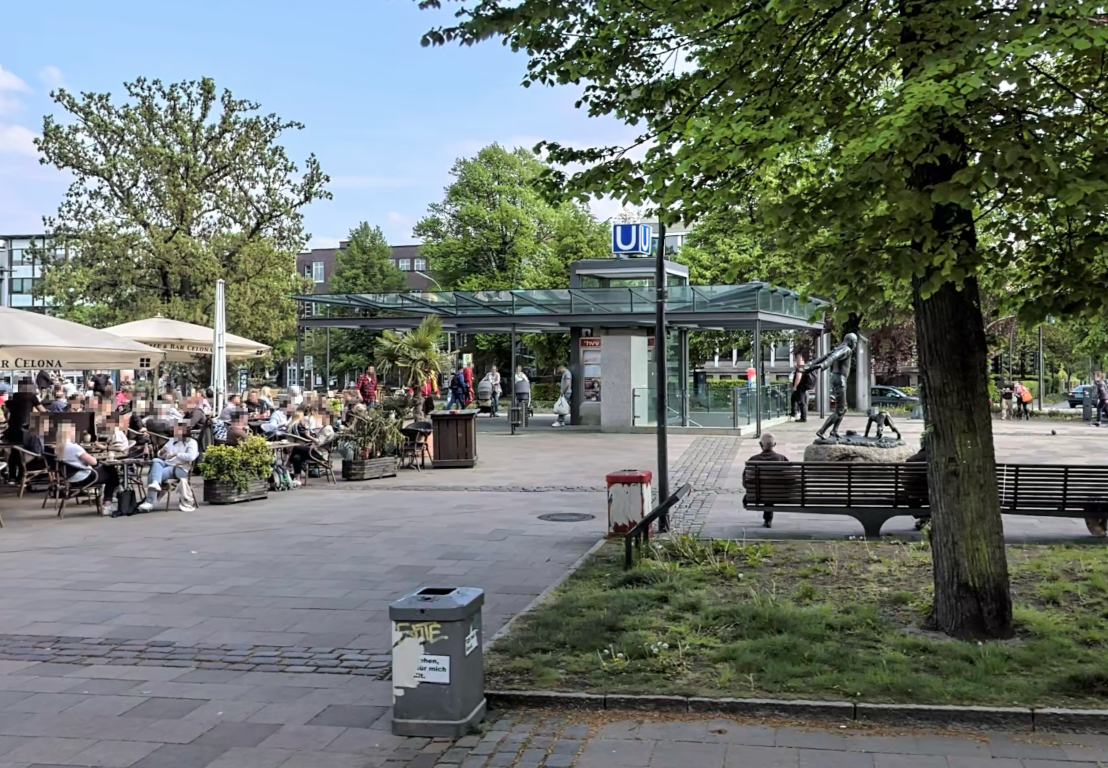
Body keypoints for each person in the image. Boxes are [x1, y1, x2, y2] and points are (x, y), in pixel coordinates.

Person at [56, 421, 120, 514]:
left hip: (69, 479)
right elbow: (93, 462)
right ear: (69, 433)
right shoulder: (74, 447)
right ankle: (108, 504)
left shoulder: (58, 448)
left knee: (109, 473)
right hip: (82, 477)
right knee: (111, 471)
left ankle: (110, 497)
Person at [138, 421, 198, 512]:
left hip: (180, 468)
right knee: (156, 461)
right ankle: (155, 484)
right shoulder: (172, 440)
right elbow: (161, 456)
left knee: (154, 474)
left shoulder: (191, 442)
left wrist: (177, 454)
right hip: (168, 463)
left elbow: (191, 456)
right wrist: (161, 452)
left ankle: (149, 501)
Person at [742, 432, 790, 528]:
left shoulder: (752, 460)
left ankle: (767, 519)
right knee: (771, 492)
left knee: (764, 492)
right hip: (780, 496)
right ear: (774, 444)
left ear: (760, 444)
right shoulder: (782, 459)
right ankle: (768, 519)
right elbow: (791, 480)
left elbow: (745, 483)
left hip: (757, 495)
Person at [2, 378, 45, 445]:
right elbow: (43, 411)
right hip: (25, 428)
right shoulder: (31, 396)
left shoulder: (12, 396)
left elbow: (6, 412)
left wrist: (8, 419)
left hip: (13, 428)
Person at [789, 353, 812, 422]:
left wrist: (795, 386)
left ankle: (803, 417)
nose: (796, 360)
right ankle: (794, 413)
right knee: (794, 398)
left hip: (800, 387)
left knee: (802, 402)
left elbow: (798, 377)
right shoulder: (805, 367)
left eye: (797, 359)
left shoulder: (800, 368)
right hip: (803, 387)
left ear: (801, 359)